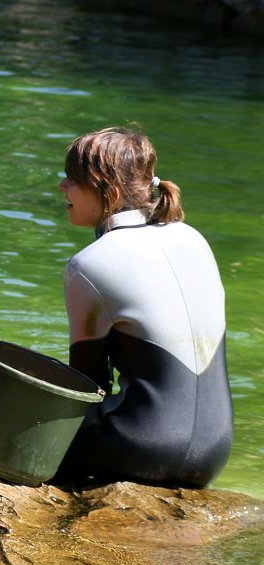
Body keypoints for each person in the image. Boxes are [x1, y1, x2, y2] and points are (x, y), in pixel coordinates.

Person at [55, 126, 232, 487]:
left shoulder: (90, 264)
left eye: (72, 179)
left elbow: (88, 386)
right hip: (214, 453)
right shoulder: (193, 238)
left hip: (138, 449)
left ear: (111, 192)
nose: (62, 187)